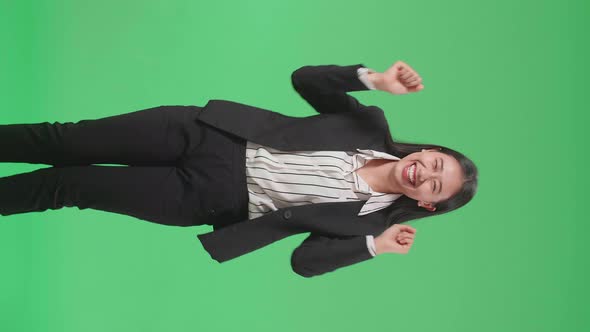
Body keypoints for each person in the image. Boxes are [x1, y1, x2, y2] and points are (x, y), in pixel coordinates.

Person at [0, 60, 478, 278]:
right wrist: (373, 81)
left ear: (426, 203)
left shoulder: (371, 224)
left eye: (436, 186)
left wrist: (375, 247)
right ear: (426, 151)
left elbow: (305, 264)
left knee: (67, 186)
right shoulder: (368, 123)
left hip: (204, 197)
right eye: (435, 162)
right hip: (208, 133)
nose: (425, 173)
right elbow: (305, 80)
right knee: (64, 138)